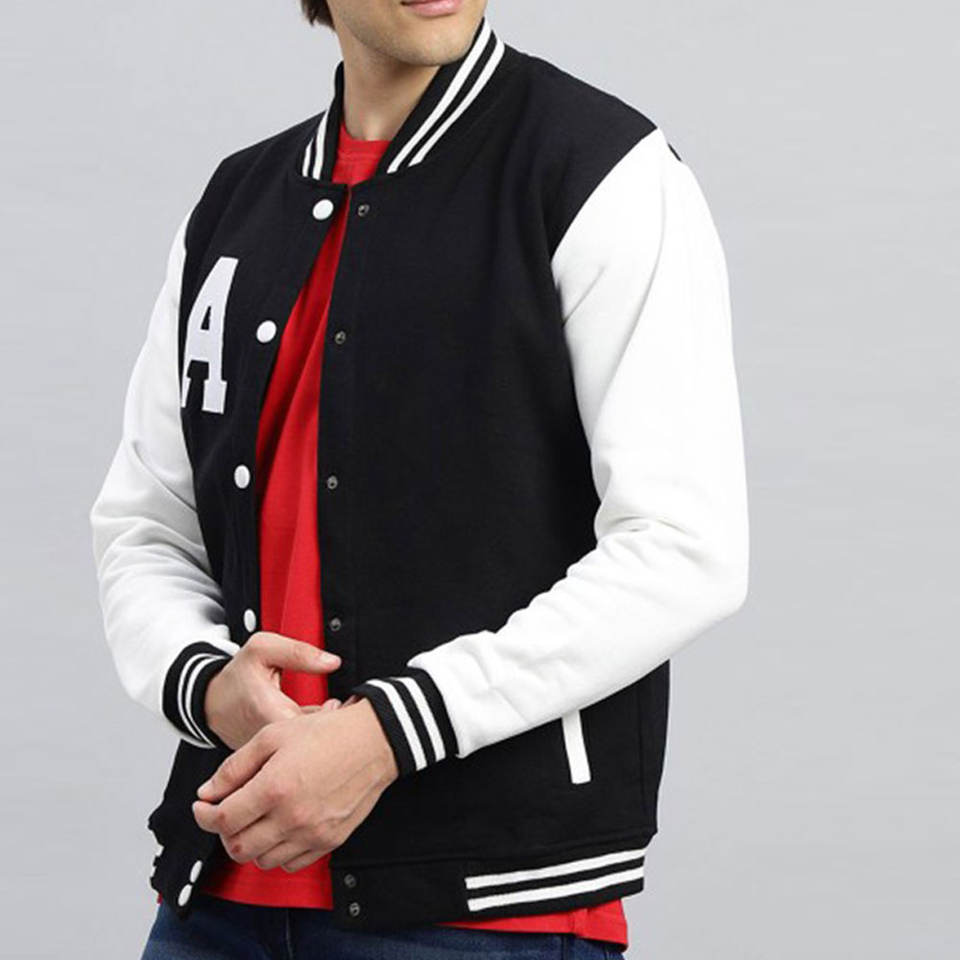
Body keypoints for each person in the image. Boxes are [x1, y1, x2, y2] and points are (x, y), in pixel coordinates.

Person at [89, 1, 749, 957]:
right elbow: (146, 522)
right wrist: (207, 685)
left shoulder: (601, 169)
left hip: (487, 911)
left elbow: (686, 548)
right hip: (219, 890)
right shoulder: (237, 202)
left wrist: (388, 732)